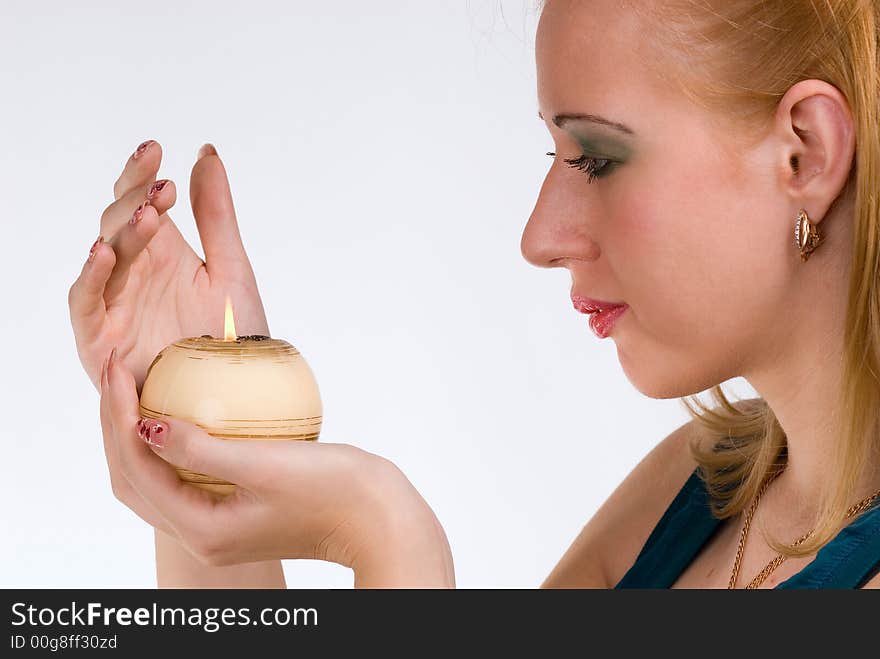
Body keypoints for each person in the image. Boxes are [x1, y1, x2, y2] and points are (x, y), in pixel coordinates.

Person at [67, 0, 880, 589]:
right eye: (551, 152)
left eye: (594, 157)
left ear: (805, 155)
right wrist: (208, 437)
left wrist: (388, 537)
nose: (538, 236)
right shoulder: (697, 487)